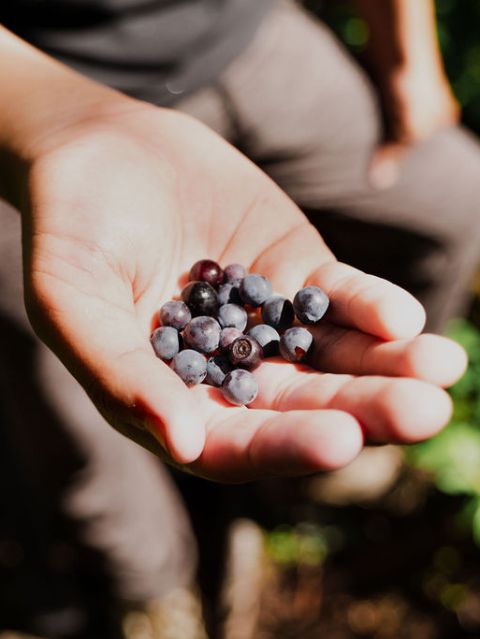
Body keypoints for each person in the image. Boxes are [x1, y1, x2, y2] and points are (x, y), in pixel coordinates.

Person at [0, 0, 475, 636]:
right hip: (32, 88)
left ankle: (305, 474)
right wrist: (56, 118)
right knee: (62, 392)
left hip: (246, 33)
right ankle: (149, 586)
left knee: (457, 196)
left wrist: (407, 56)